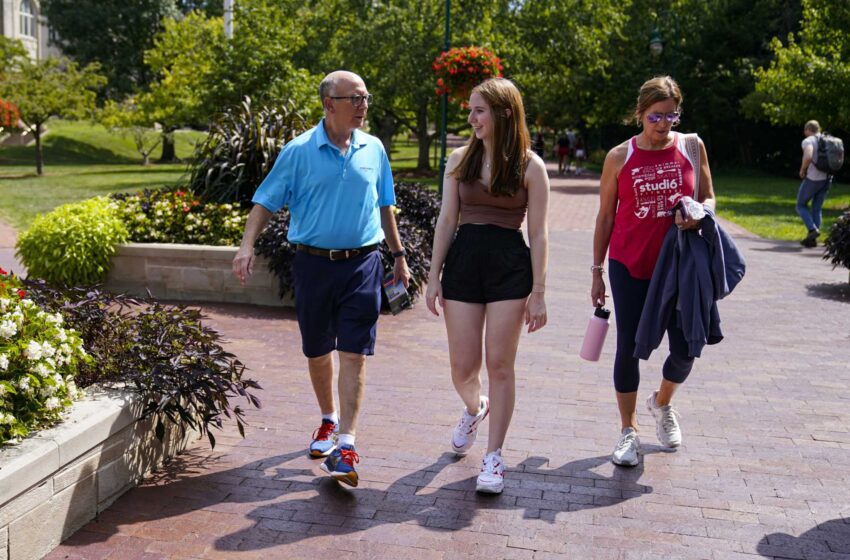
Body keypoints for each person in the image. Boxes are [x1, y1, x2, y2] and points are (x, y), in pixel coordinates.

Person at [232, 70, 410, 487]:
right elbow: (265, 201)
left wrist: (398, 255)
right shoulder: (298, 151)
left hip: (363, 264)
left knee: (354, 352)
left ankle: (346, 444)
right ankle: (328, 419)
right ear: (329, 104)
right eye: (355, 98)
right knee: (317, 350)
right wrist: (246, 245)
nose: (364, 105)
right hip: (313, 265)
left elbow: (386, 206)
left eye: (367, 97)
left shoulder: (374, 148)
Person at [425, 78, 550, 494]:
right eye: (470, 110)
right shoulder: (459, 159)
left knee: (500, 365)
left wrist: (539, 292)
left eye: (479, 110)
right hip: (463, 264)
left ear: (504, 112)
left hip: (509, 269)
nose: (471, 118)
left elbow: (540, 233)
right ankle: (474, 407)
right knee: (463, 369)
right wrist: (432, 275)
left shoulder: (531, 166)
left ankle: (494, 457)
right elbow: (446, 220)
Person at [590, 76, 716, 467]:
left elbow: (709, 195)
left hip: (681, 268)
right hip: (630, 265)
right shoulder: (619, 157)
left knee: (685, 348)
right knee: (629, 347)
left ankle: (662, 403)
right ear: (640, 113)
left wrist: (699, 214)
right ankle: (628, 431)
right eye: (655, 116)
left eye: (670, 116)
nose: (663, 125)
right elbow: (606, 216)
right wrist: (596, 270)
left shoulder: (692, 147)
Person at [797, 120, 831, 248]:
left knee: (801, 205)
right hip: (827, 179)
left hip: (813, 179)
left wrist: (803, 169)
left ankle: (812, 230)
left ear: (808, 129)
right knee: (817, 208)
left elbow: (808, 156)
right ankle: (812, 240)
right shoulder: (826, 139)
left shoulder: (808, 140)